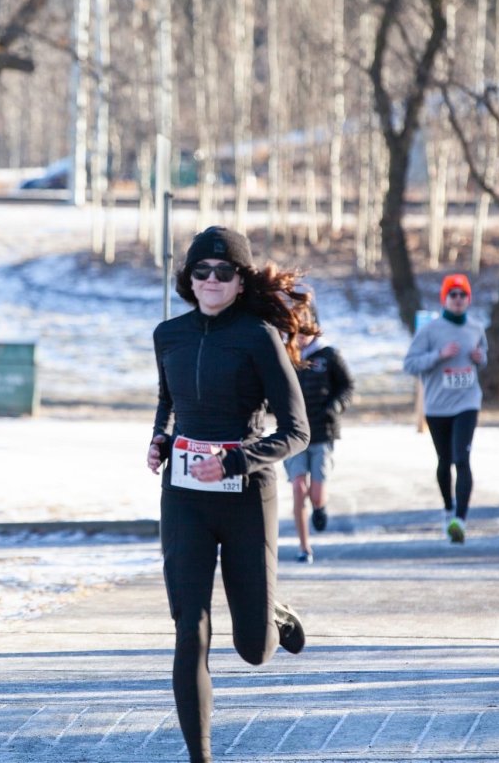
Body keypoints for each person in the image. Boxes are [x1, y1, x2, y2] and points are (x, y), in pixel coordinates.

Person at [147, 226, 311, 763]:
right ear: (188, 280)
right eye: (202, 271)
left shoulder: (258, 336)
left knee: (254, 649)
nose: (212, 280)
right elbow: (168, 400)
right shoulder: (168, 335)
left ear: (240, 282)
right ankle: (201, 757)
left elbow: (296, 431)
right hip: (185, 498)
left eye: (224, 272)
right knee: (189, 628)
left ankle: (274, 616)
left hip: (246, 496)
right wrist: (160, 439)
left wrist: (237, 459)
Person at [403, 273, 487, 544]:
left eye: (463, 295)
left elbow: (483, 356)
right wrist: (439, 356)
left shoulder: (476, 328)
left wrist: (479, 358)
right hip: (438, 406)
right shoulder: (430, 331)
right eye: (453, 294)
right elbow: (410, 364)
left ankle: (459, 520)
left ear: (469, 299)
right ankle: (448, 507)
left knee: (462, 459)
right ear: (445, 298)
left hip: (467, 402)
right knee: (445, 461)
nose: (459, 299)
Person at [283, 300, 354, 563]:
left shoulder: (329, 356)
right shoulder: (287, 358)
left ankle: (320, 507)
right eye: (297, 331)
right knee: (298, 487)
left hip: (322, 433)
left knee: (315, 492)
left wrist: (335, 405)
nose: (301, 337)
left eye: (306, 330)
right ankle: (304, 548)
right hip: (293, 435)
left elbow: (347, 386)